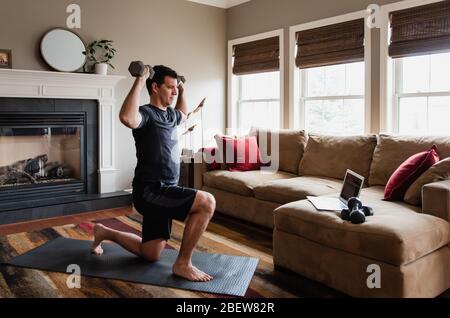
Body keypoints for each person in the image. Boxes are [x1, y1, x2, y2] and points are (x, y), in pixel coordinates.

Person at [91, 65, 216, 282]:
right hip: (151, 191)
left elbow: (184, 114)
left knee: (150, 253)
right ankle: (183, 264)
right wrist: (140, 79)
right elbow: (127, 118)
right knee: (206, 202)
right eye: (170, 87)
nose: (174, 91)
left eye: (175, 88)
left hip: (166, 190)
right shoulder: (146, 114)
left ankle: (104, 232)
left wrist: (183, 91)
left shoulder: (170, 115)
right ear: (155, 87)